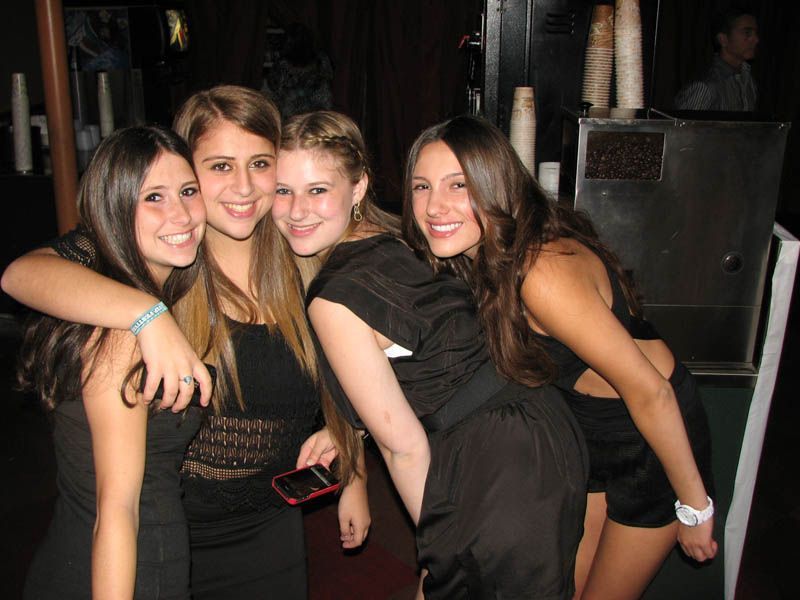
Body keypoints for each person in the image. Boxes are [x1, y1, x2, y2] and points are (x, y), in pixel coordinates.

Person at [2, 86, 370, 599]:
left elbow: (365, 366)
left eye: (260, 163)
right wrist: (146, 314)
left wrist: (352, 456)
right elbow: (24, 273)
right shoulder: (156, 257)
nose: (243, 187)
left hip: (269, 529)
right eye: (219, 166)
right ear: (185, 167)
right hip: (174, 532)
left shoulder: (301, 249)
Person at [271, 110, 589, 599]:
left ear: (357, 189)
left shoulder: (333, 296)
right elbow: (429, 350)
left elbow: (405, 447)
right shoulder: (400, 237)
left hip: (497, 468)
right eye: (282, 191)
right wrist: (348, 432)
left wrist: (443, 543)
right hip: (540, 428)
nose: (296, 210)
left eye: (317, 190)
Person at [402, 114, 716, 600]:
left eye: (458, 185)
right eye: (422, 186)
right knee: (561, 588)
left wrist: (695, 507)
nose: (434, 206)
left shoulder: (540, 270)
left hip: (650, 439)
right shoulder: (476, 255)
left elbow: (649, 391)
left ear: (495, 186)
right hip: (582, 431)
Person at [14, 125, 206, 598]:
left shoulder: (124, 297)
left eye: (187, 191)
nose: (179, 213)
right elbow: (117, 509)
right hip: (131, 569)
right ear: (116, 210)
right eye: (153, 198)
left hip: (88, 550)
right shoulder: (122, 331)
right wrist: (148, 315)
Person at [674, 8, 759, 111]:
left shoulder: (748, 80)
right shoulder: (705, 86)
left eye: (755, 33)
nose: (756, 39)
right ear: (723, 39)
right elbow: (683, 127)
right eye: (747, 33)